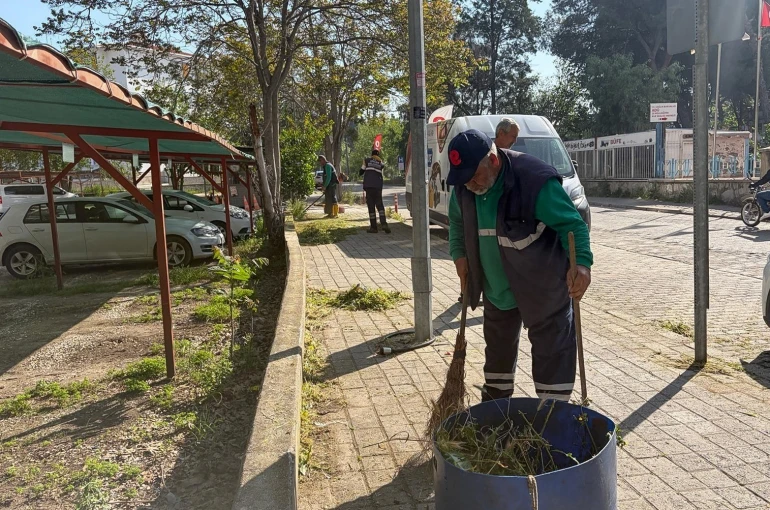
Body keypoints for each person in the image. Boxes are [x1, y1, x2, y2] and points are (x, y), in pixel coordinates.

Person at [447, 129, 592, 402]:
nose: (469, 184)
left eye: (474, 176)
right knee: (497, 365)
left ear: (493, 160)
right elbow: (457, 222)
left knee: (553, 365)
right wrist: (459, 254)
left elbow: (573, 225)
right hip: (497, 291)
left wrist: (582, 265)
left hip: (542, 289)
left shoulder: (533, 181)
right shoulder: (464, 188)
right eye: (463, 179)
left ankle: (553, 421)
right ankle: (498, 421)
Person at [457, 118, 521, 304]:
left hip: (521, 284)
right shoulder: (478, 159)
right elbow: (457, 221)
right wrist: (460, 256)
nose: (515, 142)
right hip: (491, 287)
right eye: (513, 137)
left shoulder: (515, 168)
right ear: (500, 133)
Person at [360, 149, 391, 234]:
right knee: (380, 206)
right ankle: (384, 224)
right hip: (377, 187)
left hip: (369, 187)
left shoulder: (366, 161)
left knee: (371, 207)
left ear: (371, 155)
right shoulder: (381, 163)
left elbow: (361, 171)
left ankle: (374, 228)